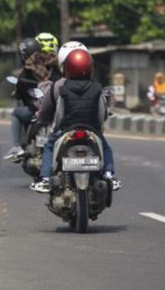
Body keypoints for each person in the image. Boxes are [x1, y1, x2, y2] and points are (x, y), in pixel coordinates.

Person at [31, 49, 120, 193]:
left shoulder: (61, 88)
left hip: (66, 129)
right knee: (106, 147)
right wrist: (97, 127)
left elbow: (58, 112)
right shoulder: (97, 88)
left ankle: (45, 179)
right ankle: (109, 174)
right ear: (90, 68)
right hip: (91, 129)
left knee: (48, 146)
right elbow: (101, 113)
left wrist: (55, 127)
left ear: (67, 68)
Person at [4, 37, 49, 160]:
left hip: (36, 110)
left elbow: (20, 91)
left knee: (16, 113)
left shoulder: (26, 70)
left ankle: (17, 146)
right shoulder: (48, 65)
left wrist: (17, 92)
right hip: (53, 108)